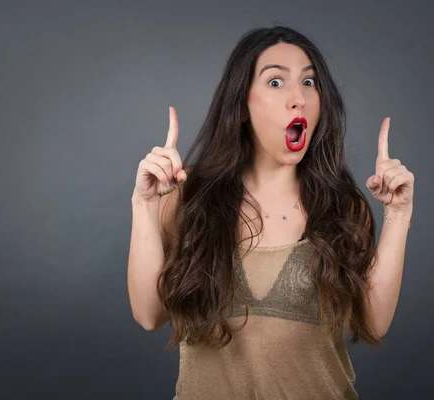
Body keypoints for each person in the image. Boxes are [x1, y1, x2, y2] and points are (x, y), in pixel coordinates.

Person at [127, 25, 414, 400]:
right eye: (276, 82)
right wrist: (145, 203)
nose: (298, 97)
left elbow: (373, 322)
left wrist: (399, 214)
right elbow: (149, 316)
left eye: (309, 82)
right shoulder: (189, 197)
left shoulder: (342, 205)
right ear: (242, 105)